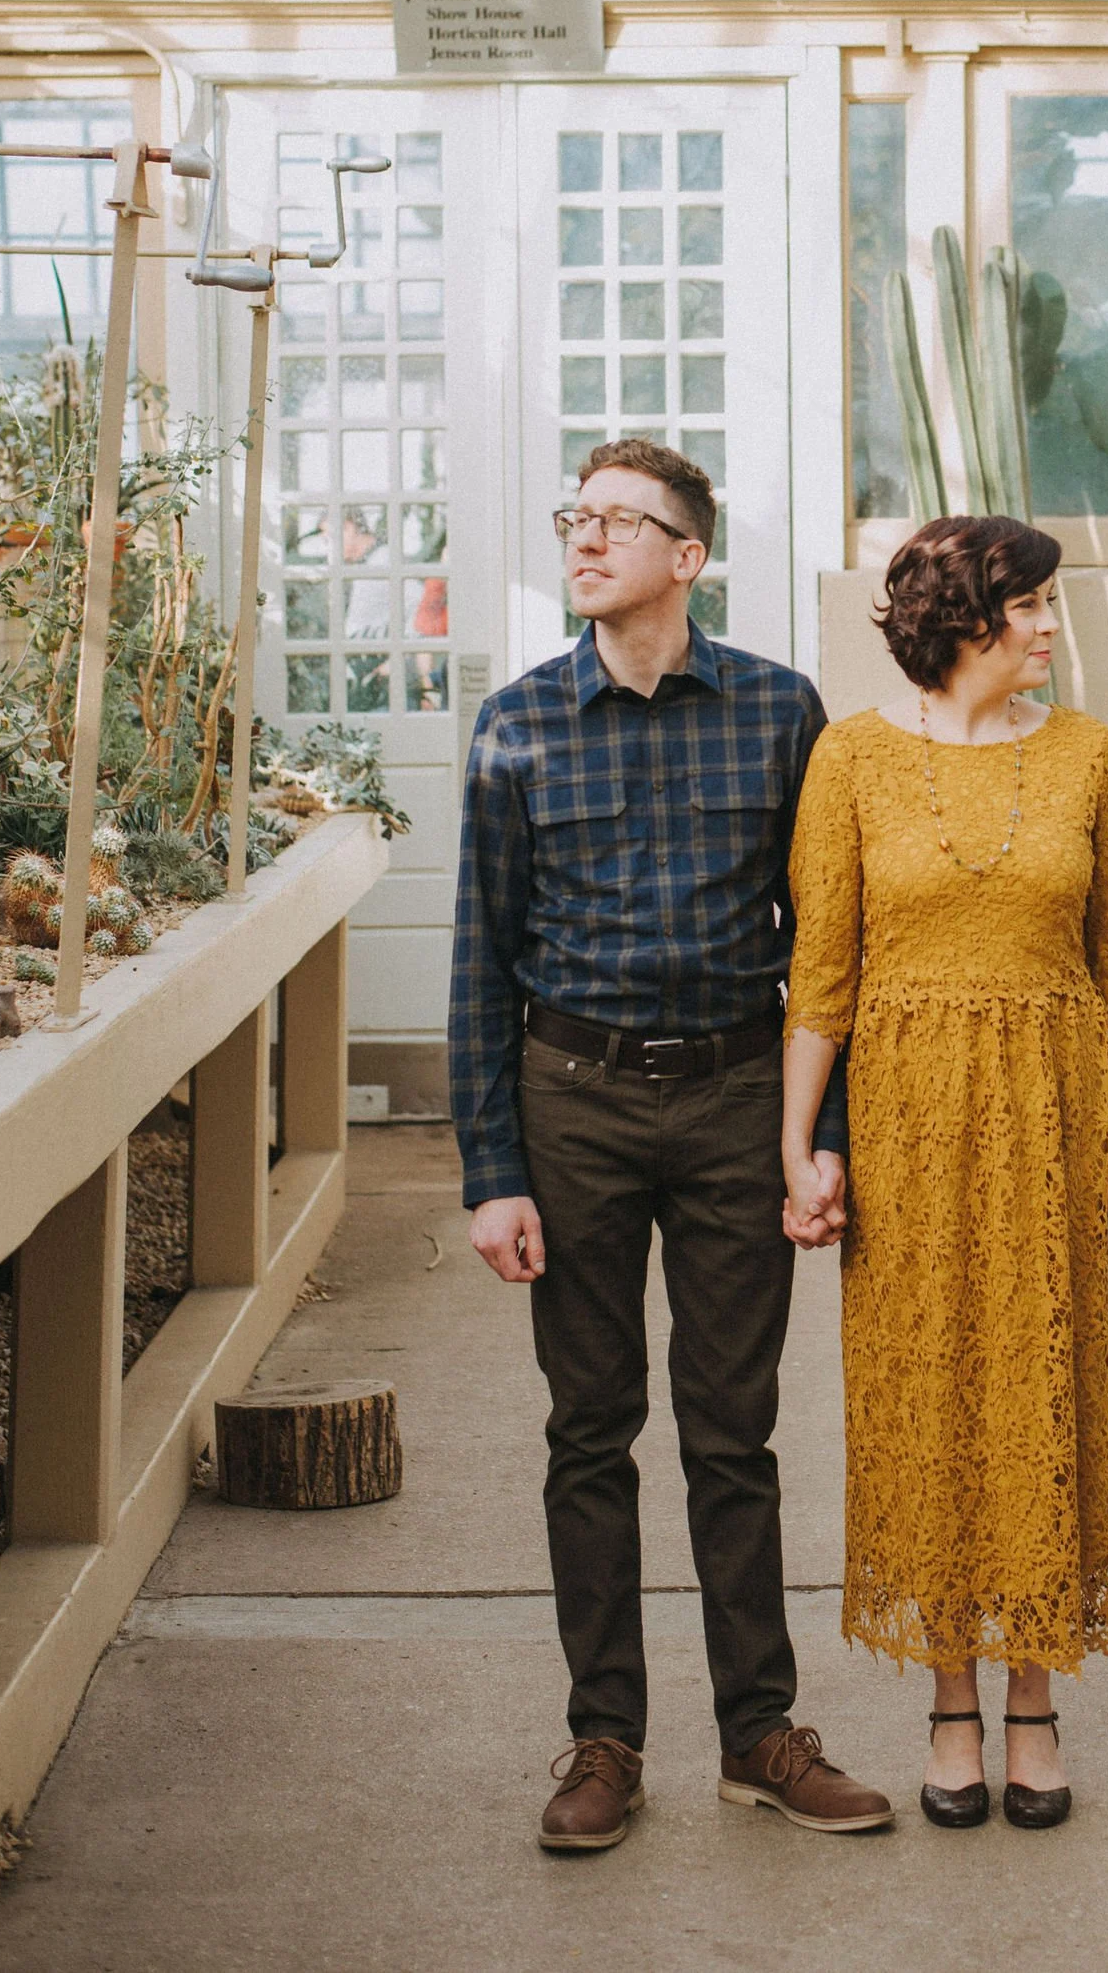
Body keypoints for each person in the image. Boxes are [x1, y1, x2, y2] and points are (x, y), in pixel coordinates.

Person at [448, 437, 891, 1855]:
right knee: (589, 1432)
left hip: (729, 1100)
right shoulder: (517, 723)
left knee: (732, 1430)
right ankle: (604, 1741)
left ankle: (760, 1733)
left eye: (617, 523)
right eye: (574, 517)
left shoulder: (777, 711)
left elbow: (829, 943)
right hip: (569, 1102)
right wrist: (491, 1169)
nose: (583, 540)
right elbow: (480, 963)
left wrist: (812, 1138)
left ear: (688, 558)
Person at [779, 513, 1108, 1833]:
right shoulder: (853, 762)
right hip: (909, 1127)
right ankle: (951, 1698)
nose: (1053, 629)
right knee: (931, 1395)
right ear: (967, 620)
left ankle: (1037, 1695)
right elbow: (822, 981)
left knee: (1044, 1392)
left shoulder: (1086, 757)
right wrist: (799, 1144)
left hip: (1054, 1121)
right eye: (1035, 607)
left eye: (1054, 606)